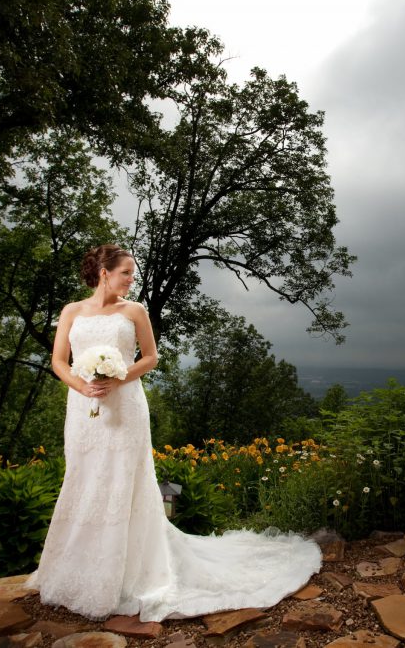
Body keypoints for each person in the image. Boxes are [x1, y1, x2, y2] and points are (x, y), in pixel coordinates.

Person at [24, 244, 322, 622]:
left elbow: (150, 357)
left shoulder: (134, 311)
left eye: (132, 273)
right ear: (104, 273)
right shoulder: (71, 311)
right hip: (84, 409)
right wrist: (81, 386)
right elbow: (57, 361)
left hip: (125, 405)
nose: (132, 280)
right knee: (84, 480)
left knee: (122, 483)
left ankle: (128, 575)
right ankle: (76, 569)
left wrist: (118, 376)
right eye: (126, 273)